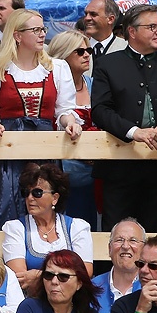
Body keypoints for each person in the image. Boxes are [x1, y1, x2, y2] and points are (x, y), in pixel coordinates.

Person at [91, 4, 157, 232]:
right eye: (152, 27)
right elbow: (100, 110)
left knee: (154, 235)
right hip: (118, 165)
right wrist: (133, 132)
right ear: (132, 31)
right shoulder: (107, 64)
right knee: (116, 233)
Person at [0, 8, 82, 226]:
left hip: (45, 150)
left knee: (45, 206)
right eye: (36, 30)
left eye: (43, 29)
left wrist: (70, 122)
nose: (42, 34)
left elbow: (64, 110)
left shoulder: (57, 68)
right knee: (6, 207)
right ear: (17, 35)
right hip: (7, 153)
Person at [2, 163, 93, 295]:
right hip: (31, 300)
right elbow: (20, 277)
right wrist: (64, 276)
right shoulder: (16, 228)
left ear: (55, 198)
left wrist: (37, 275)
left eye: (37, 193)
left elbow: (85, 272)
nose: (30, 198)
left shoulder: (76, 227)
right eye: (26, 193)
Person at [48, 30, 100, 227]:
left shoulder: (95, 85)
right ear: (62, 55)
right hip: (61, 168)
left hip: (94, 169)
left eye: (88, 51)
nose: (86, 55)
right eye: (79, 51)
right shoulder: (51, 86)